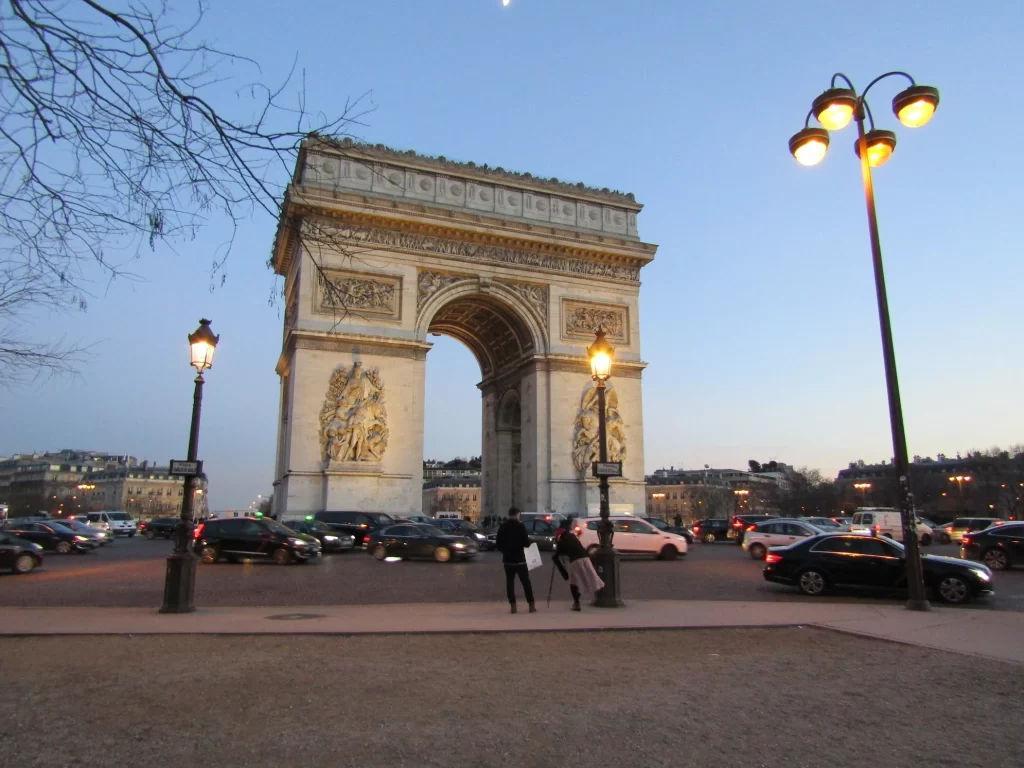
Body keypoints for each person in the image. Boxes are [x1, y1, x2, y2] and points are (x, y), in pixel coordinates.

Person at [553, 515, 605, 611]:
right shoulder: (572, 536)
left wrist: (564, 573)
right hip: (585, 559)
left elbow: (557, 554)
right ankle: (578, 602)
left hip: (575, 561)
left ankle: (576, 603)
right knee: (584, 580)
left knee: (574, 583)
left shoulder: (562, 540)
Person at [495, 506, 535, 614]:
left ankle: (513, 606)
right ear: (517, 514)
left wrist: (505, 551)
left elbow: (498, 544)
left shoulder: (502, 526)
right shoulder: (521, 526)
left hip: (508, 560)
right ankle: (531, 604)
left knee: (510, 583)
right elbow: (526, 543)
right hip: (520, 559)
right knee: (526, 582)